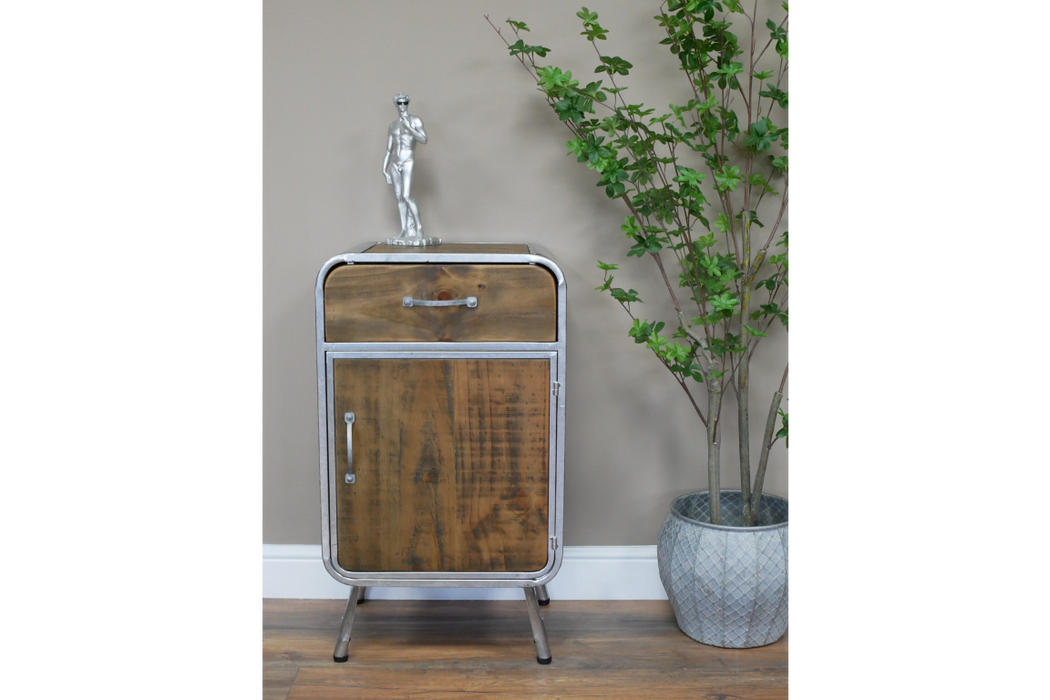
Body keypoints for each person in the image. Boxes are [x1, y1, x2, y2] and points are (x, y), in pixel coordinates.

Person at [383, 93, 427, 238]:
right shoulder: (392, 126)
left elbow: (423, 139)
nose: (403, 106)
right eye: (400, 103)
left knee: (407, 195)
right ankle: (404, 229)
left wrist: (409, 127)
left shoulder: (415, 120)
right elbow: (389, 150)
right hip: (395, 161)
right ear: (396, 105)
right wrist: (384, 170)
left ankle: (419, 227)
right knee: (399, 196)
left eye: (405, 103)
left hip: (408, 159)